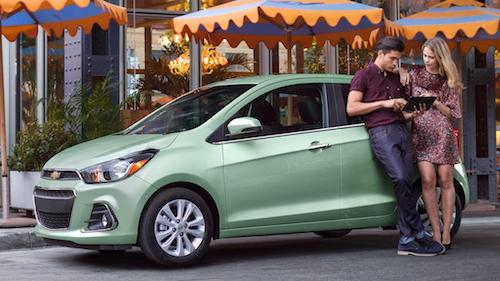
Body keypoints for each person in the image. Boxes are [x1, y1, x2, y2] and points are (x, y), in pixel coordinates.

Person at [346, 37, 445, 256]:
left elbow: (405, 114)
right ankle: (418, 232)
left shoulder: (396, 78)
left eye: (398, 59)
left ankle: (407, 238)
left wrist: (413, 112)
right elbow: (351, 108)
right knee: (400, 178)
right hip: (381, 133)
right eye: (393, 58)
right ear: (380, 54)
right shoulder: (363, 75)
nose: (395, 63)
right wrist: (384, 103)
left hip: (402, 130)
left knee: (406, 183)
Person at [401, 37, 463, 250]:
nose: (426, 60)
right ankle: (435, 231)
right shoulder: (415, 74)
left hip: (442, 134)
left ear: (440, 57)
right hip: (421, 134)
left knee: (446, 180)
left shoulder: (448, 80)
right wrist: (401, 72)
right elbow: (395, 71)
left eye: (431, 56)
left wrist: (434, 100)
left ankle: (447, 230)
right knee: (427, 181)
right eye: (424, 55)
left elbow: (453, 113)